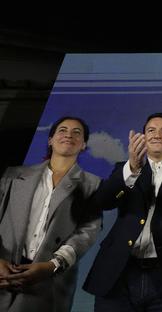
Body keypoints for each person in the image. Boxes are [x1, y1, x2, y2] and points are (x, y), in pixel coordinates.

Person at [83, 112, 162, 311]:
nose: (157, 134)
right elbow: (102, 202)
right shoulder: (124, 169)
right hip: (119, 275)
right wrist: (132, 168)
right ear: (143, 137)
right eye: (151, 130)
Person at [0, 116, 101, 311]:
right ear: (50, 139)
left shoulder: (93, 184)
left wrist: (53, 265)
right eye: (62, 130)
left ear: (83, 145)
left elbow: (87, 231)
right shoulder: (12, 175)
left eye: (77, 132)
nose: (69, 135)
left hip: (48, 283)